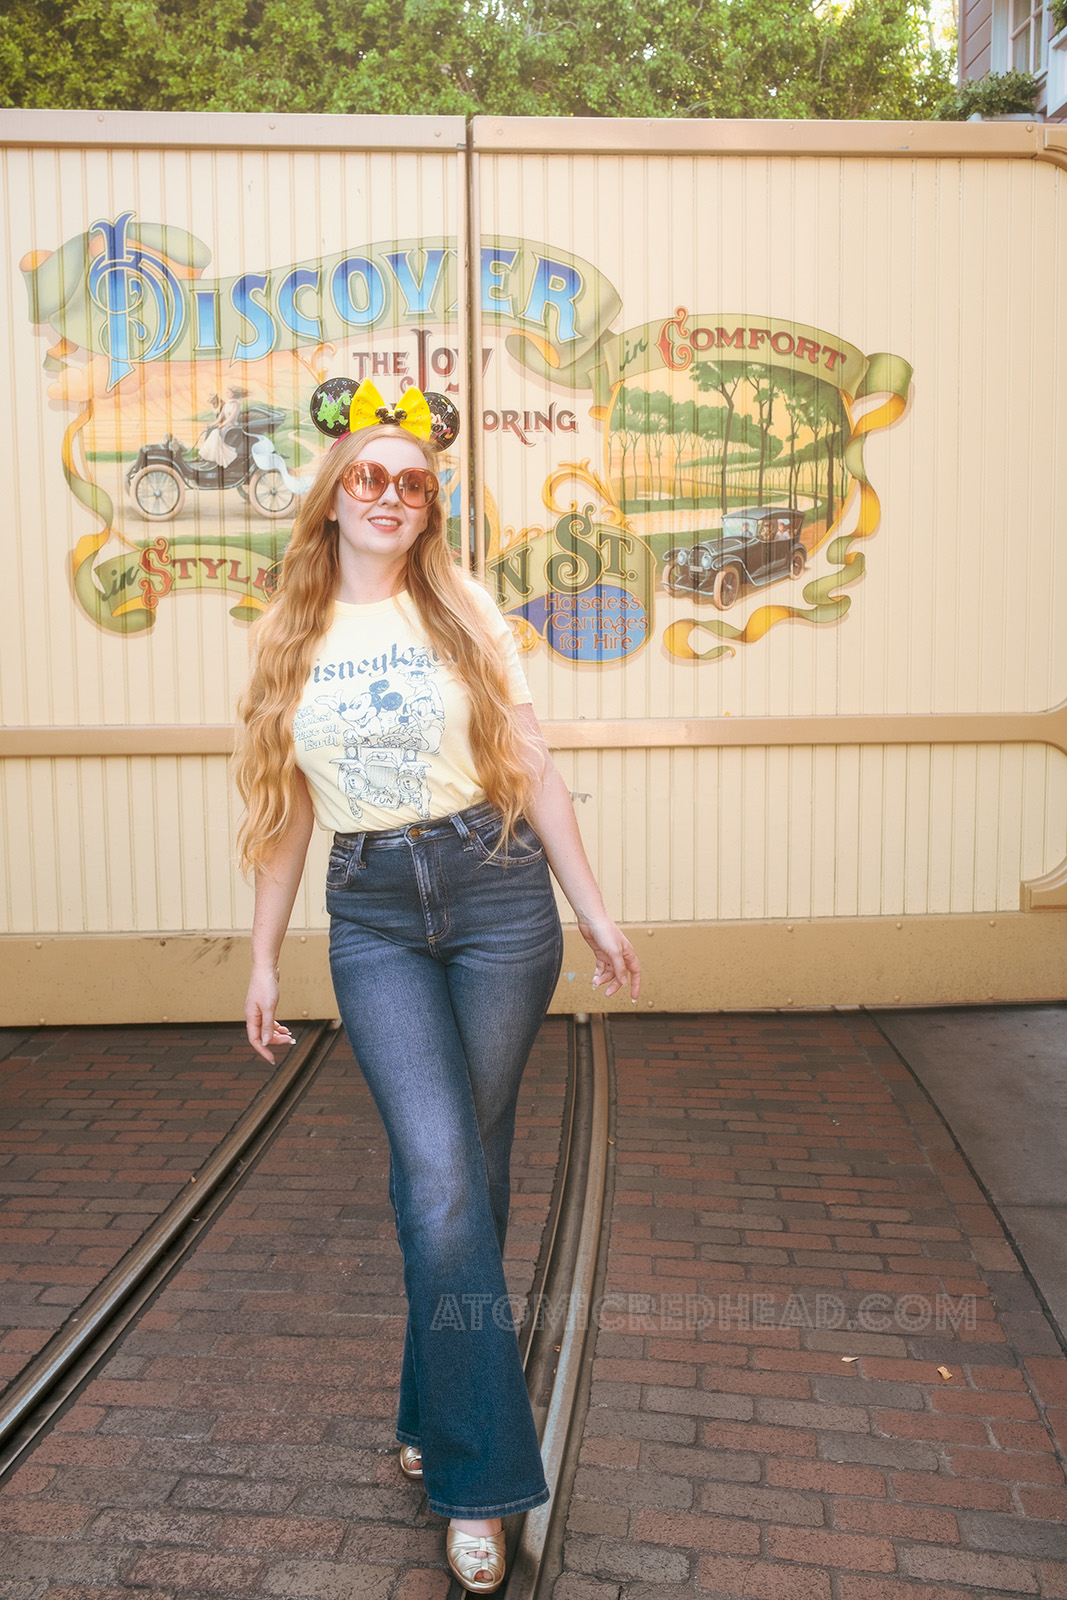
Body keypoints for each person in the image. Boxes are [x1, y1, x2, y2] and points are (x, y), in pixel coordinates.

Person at [232, 386, 640, 1592]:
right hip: (372, 918)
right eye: (373, 477)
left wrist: (592, 903)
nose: (394, 498)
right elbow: (282, 815)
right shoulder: (285, 634)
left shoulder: (462, 607)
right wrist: (260, 954)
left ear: (430, 504)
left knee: (470, 1177)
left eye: (415, 484)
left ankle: (429, 1404)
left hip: (499, 898)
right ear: (334, 493)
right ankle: (480, 1481)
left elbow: (531, 766)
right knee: (445, 1173)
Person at [198, 385, 245, 467]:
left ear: (233, 394)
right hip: (225, 425)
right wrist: (212, 424)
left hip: (232, 425)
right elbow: (220, 417)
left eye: (228, 392)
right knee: (213, 432)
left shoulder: (236, 405)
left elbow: (231, 418)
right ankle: (207, 458)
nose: (226, 394)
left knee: (215, 433)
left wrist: (222, 425)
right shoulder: (227, 404)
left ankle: (212, 461)